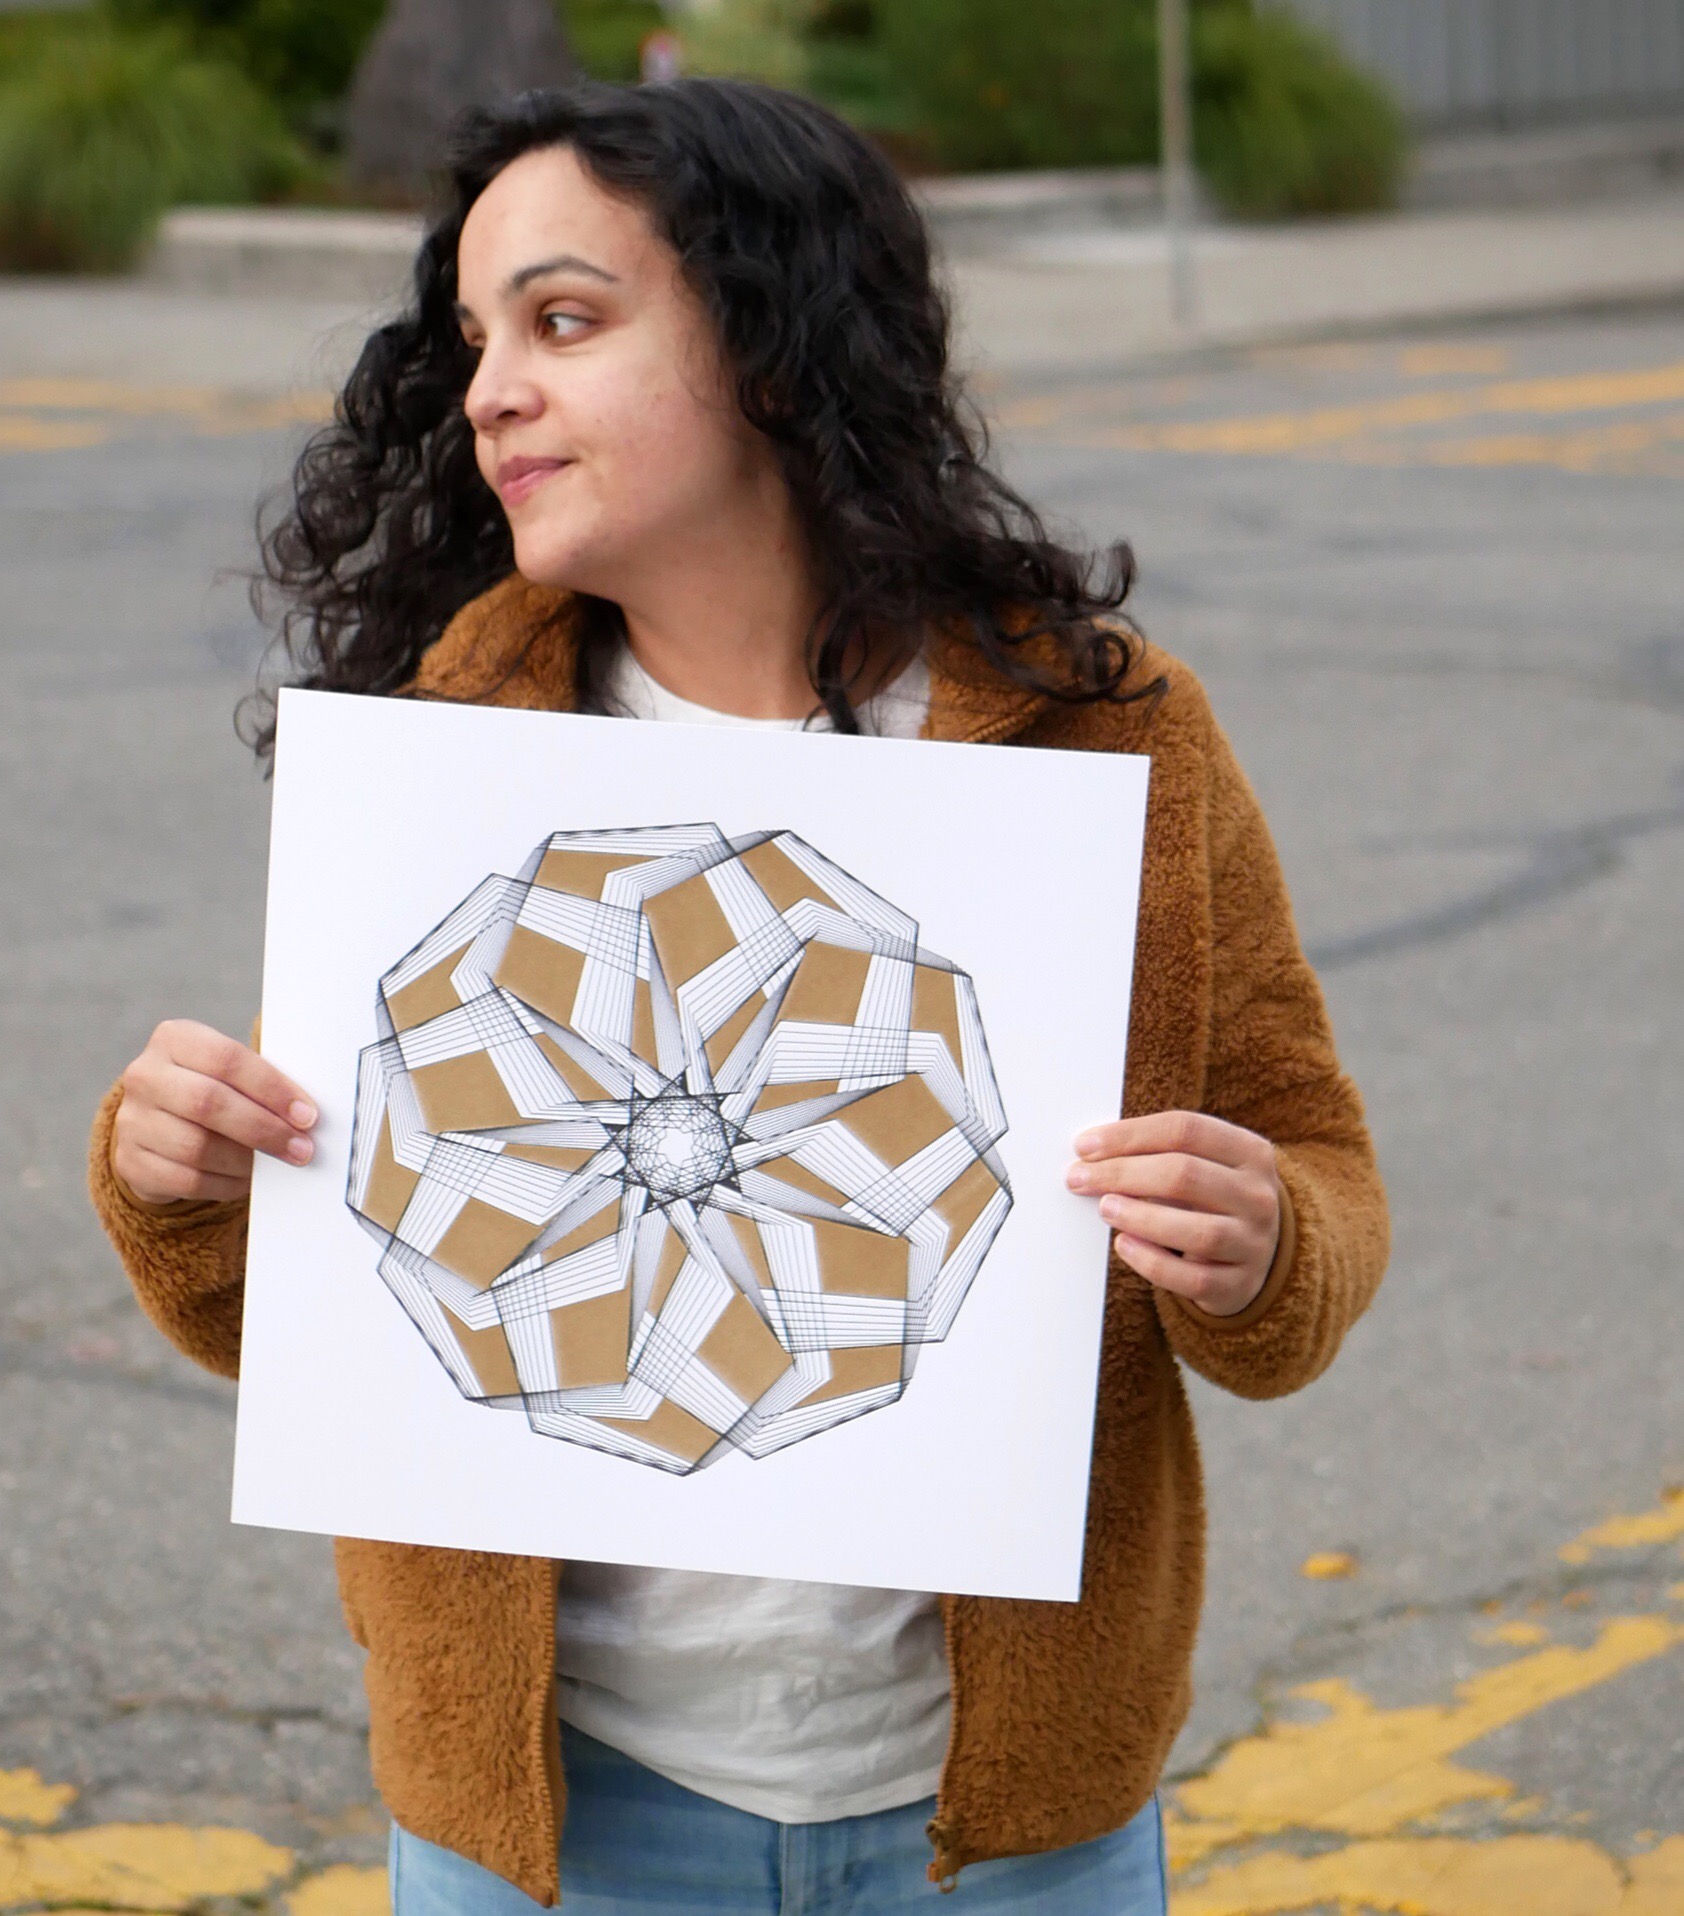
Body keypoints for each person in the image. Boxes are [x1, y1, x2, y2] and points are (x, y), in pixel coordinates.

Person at [89, 79, 1389, 1916]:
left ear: (774, 343)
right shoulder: (459, 747)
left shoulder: (1111, 734)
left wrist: (1264, 1248)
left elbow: (1317, 1169)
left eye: (562, 320)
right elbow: (338, 1288)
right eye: (474, 342)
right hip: (561, 1825)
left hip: (1007, 1827)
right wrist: (176, 1174)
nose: (488, 392)